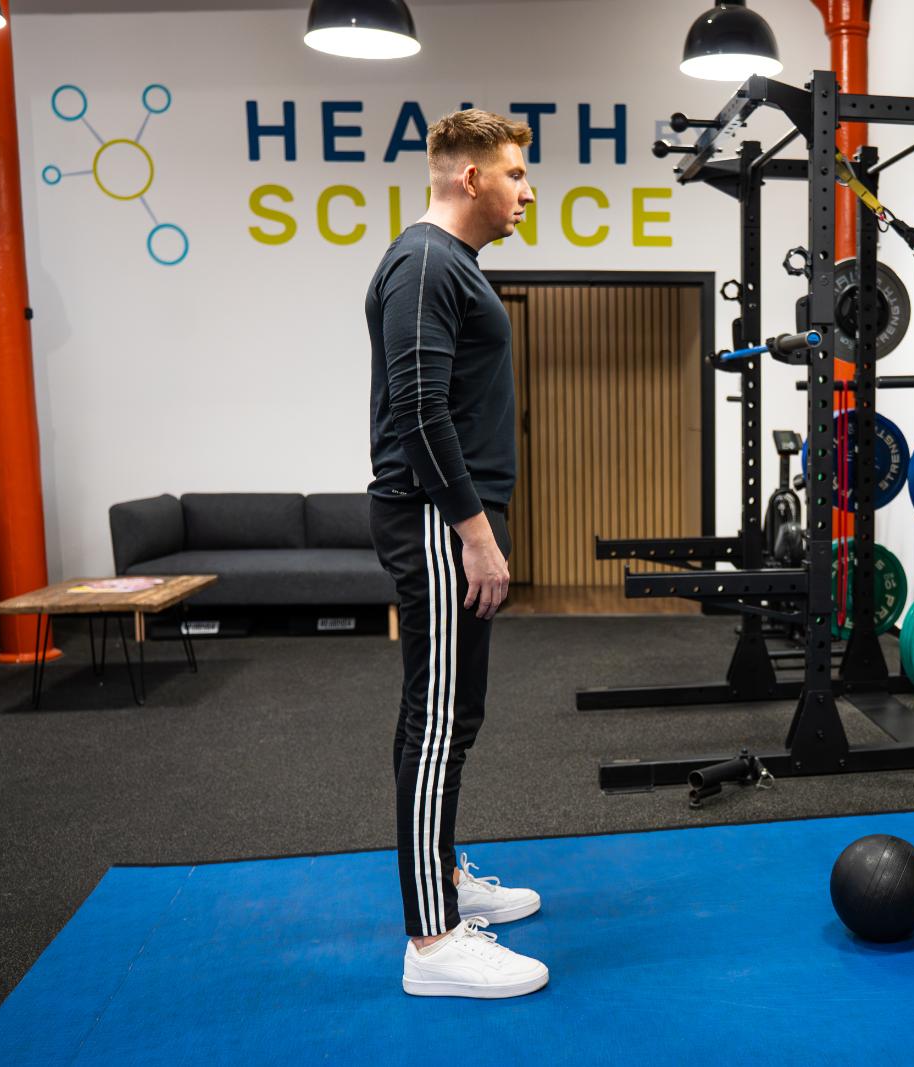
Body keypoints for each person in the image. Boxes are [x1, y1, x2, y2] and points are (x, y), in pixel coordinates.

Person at [366, 108, 545, 998]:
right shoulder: (427, 263)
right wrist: (473, 531)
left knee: (452, 711)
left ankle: (441, 881)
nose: (527, 188)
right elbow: (418, 410)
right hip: (436, 517)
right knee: (437, 720)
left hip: (447, 515)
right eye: (515, 172)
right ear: (468, 176)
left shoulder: (452, 266)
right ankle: (432, 942)